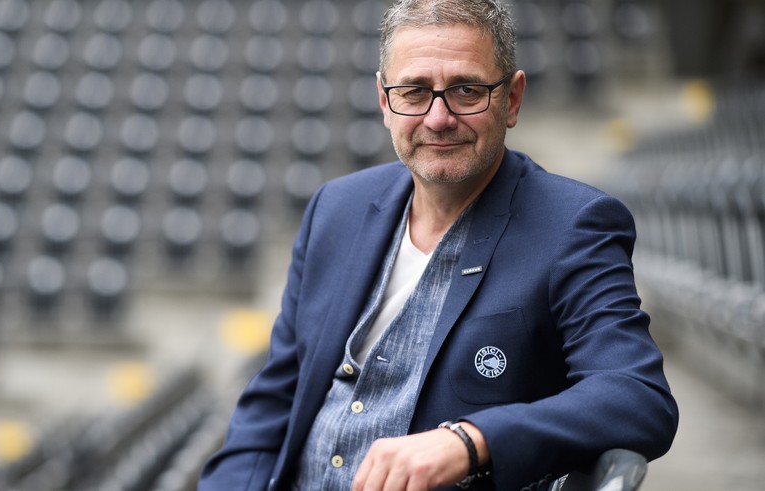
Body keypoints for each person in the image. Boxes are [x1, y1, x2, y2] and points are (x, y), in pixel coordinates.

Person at [199, 0, 679, 489]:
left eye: (466, 90)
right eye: (414, 91)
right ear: (385, 101)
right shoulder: (335, 208)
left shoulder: (574, 224)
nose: (438, 117)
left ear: (511, 100)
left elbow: (636, 396)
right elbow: (273, 402)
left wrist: (471, 441)